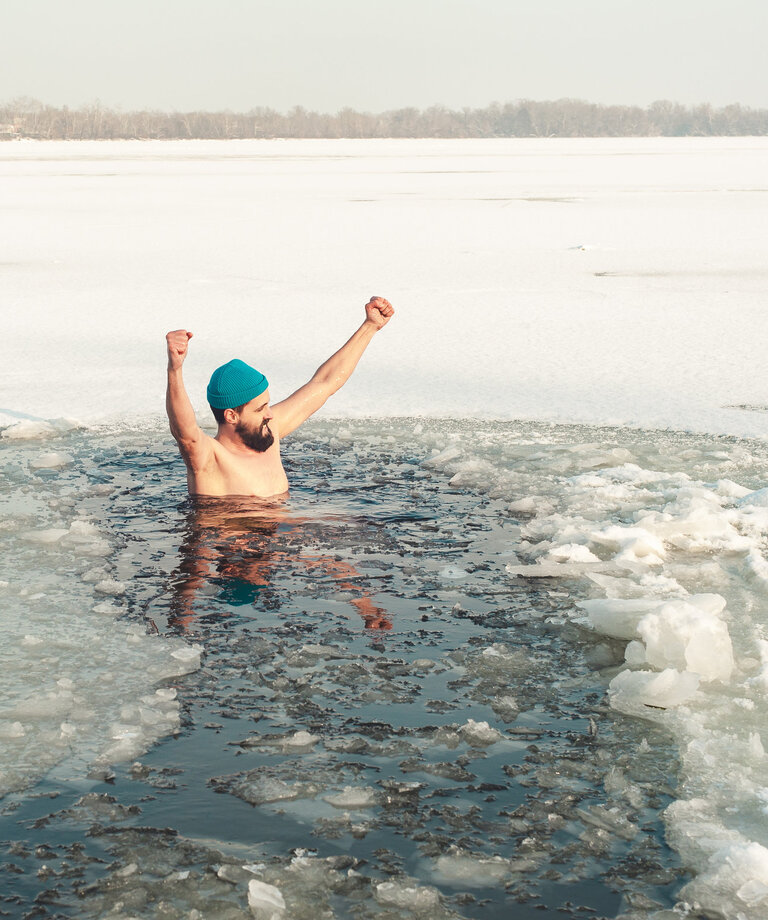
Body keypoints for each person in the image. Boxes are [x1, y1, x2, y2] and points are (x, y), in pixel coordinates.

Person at [165, 296, 394, 497]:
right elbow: (185, 433)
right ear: (231, 415)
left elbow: (324, 383)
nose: (270, 413)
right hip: (229, 544)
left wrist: (370, 327)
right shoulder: (209, 459)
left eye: (267, 404)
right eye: (259, 408)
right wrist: (175, 370)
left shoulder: (268, 433)